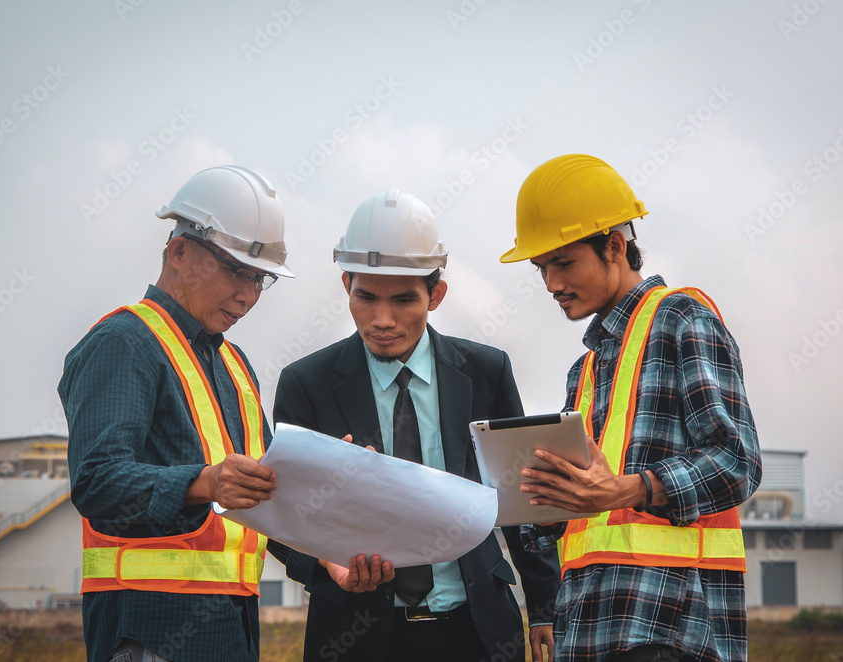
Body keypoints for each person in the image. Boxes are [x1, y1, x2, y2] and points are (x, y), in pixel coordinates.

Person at [268, 189, 562, 662]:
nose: (382, 320)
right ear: (346, 285)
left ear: (436, 295)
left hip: (478, 633)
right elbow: (283, 517)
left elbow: (519, 498)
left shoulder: (487, 373)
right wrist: (327, 562)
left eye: (404, 300)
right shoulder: (307, 384)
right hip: (354, 636)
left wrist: (545, 606)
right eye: (366, 297)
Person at [501, 154, 762, 662]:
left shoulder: (682, 319)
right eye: (541, 268)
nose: (551, 284)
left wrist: (631, 488)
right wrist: (540, 502)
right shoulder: (587, 370)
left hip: (671, 628)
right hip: (590, 630)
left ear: (615, 246)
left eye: (562, 262)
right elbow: (586, 512)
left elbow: (739, 462)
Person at [59, 166, 294, 662]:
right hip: (149, 627)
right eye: (235, 270)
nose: (248, 295)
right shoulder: (123, 343)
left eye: (260, 278)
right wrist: (205, 483)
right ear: (179, 252)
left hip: (231, 627)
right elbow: (96, 481)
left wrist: (333, 543)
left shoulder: (233, 363)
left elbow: (259, 496)